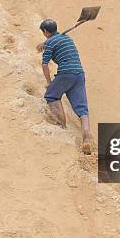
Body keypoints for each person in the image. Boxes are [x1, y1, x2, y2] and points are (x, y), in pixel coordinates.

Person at [36, 19, 92, 154]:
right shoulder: (66, 38)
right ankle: (86, 139)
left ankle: (61, 125)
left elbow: (45, 64)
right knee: (82, 109)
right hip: (79, 74)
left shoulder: (49, 43)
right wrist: (46, 43)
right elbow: (54, 42)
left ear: (45, 31)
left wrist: (49, 83)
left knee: (51, 95)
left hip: (66, 73)